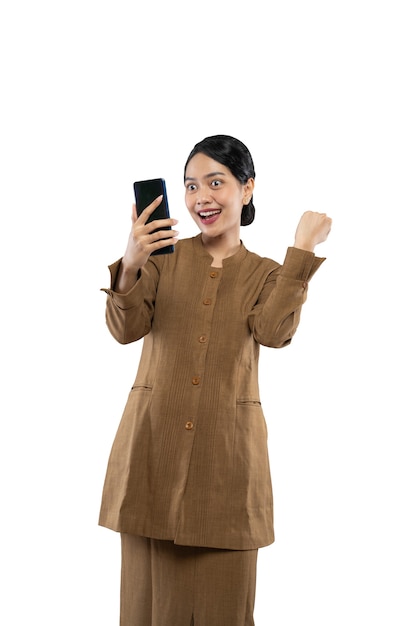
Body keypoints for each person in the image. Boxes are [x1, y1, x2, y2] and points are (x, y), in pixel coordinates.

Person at [99, 134, 332, 625]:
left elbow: (273, 331)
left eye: (215, 182)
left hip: (225, 475)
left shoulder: (269, 274)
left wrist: (302, 249)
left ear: (247, 189)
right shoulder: (163, 260)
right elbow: (125, 329)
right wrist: (132, 264)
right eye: (190, 186)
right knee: (147, 614)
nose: (200, 196)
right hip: (150, 463)